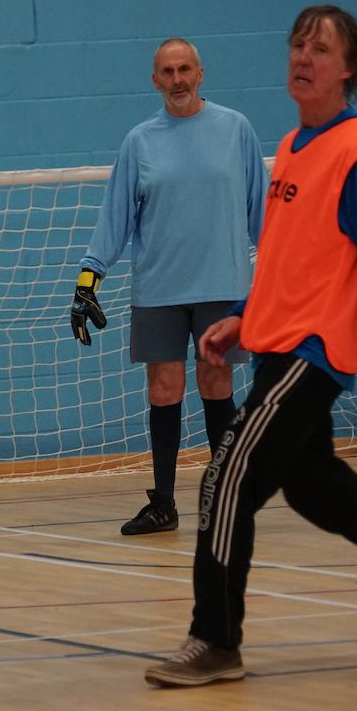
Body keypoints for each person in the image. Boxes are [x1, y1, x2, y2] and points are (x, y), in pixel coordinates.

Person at [144, 5, 357, 688]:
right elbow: (287, 260)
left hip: (315, 356)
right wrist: (243, 315)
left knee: (224, 475)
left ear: (346, 69)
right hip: (275, 343)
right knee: (315, 490)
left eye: (320, 49)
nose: (303, 57)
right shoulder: (294, 147)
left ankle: (216, 639)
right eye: (297, 44)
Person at [69, 38, 266, 536]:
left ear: (201, 74)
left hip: (222, 284)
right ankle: (163, 504)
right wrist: (88, 279)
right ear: (154, 80)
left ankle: (225, 499)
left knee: (216, 382)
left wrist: (282, 274)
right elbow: (114, 218)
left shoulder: (235, 129)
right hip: (158, 287)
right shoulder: (139, 141)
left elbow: (262, 211)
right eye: (167, 72)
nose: (177, 79)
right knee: (164, 390)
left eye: (185, 69)